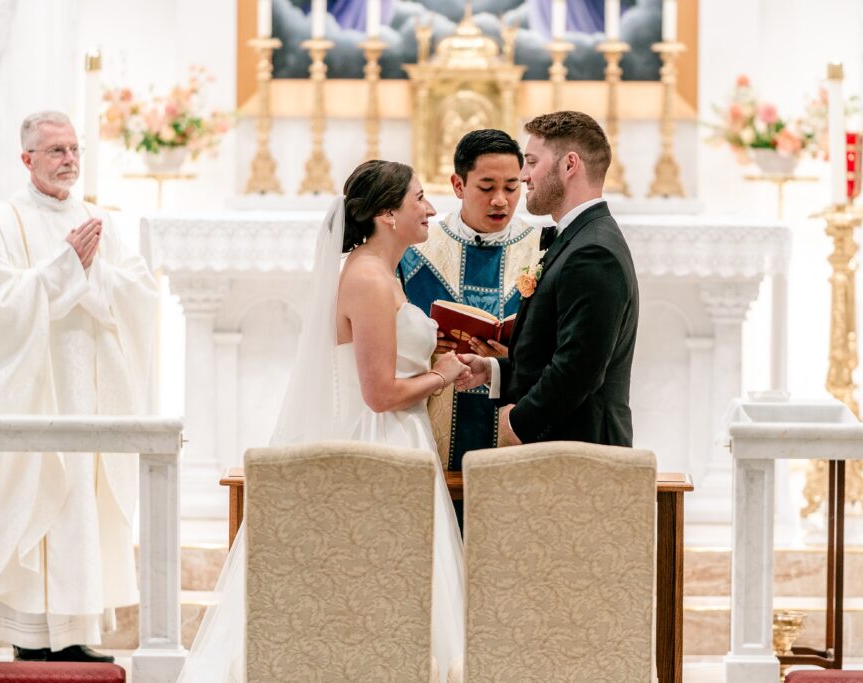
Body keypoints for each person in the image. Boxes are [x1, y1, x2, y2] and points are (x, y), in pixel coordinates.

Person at [178, 160, 469, 682]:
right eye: (419, 199)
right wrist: (442, 375)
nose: (430, 209)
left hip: (401, 439)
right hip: (381, 445)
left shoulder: (380, 272)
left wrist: (432, 356)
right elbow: (379, 394)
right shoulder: (368, 280)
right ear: (386, 213)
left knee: (399, 585)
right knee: (382, 582)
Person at [0, 111, 158, 662]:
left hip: (86, 395)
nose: (69, 160)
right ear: (27, 160)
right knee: (38, 496)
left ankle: (75, 633)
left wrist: (89, 272)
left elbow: (139, 295)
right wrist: (63, 268)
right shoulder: (3, 221)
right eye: (56, 151)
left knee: (79, 507)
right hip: (36, 391)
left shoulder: (98, 220)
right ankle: (30, 637)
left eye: (73, 149)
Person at [458, 111, 640, 447]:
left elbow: (577, 368)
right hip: (563, 450)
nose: (524, 176)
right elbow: (553, 353)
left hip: (579, 453)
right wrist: (493, 369)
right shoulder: (580, 238)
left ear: (570, 165)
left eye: (531, 161)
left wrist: (520, 422)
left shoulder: (594, 252)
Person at [398, 129, 543, 522]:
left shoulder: (545, 248)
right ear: (458, 185)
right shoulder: (415, 251)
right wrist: (428, 344)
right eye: (487, 187)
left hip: (514, 428)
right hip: (433, 423)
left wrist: (514, 352)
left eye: (512, 187)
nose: (501, 200)